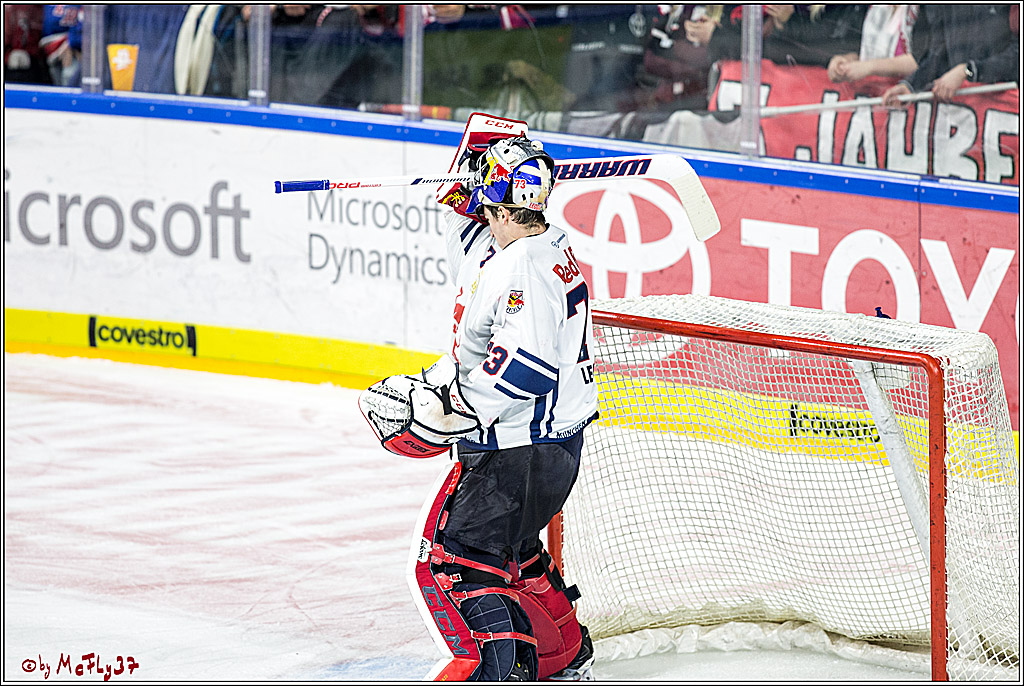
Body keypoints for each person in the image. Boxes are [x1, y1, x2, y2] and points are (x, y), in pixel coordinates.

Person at [359, 129, 599, 681]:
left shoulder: (520, 269)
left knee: (458, 564)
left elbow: (526, 367)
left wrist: (449, 407)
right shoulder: (535, 247)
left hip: (516, 449)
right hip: (549, 450)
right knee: (512, 549)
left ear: (498, 201)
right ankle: (564, 656)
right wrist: (483, 153)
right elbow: (463, 221)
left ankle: (503, 669)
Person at [881, 4, 1019, 106]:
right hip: (968, 114)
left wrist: (968, 70)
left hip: (1009, 107)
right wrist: (910, 86)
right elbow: (939, 53)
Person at [827, 4, 919, 84]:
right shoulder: (872, 8)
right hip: (869, 94)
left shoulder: (923, 9)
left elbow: (921, 61)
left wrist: (869, 67)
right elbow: (863, 53)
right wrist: (844, 62)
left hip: (903, 96)